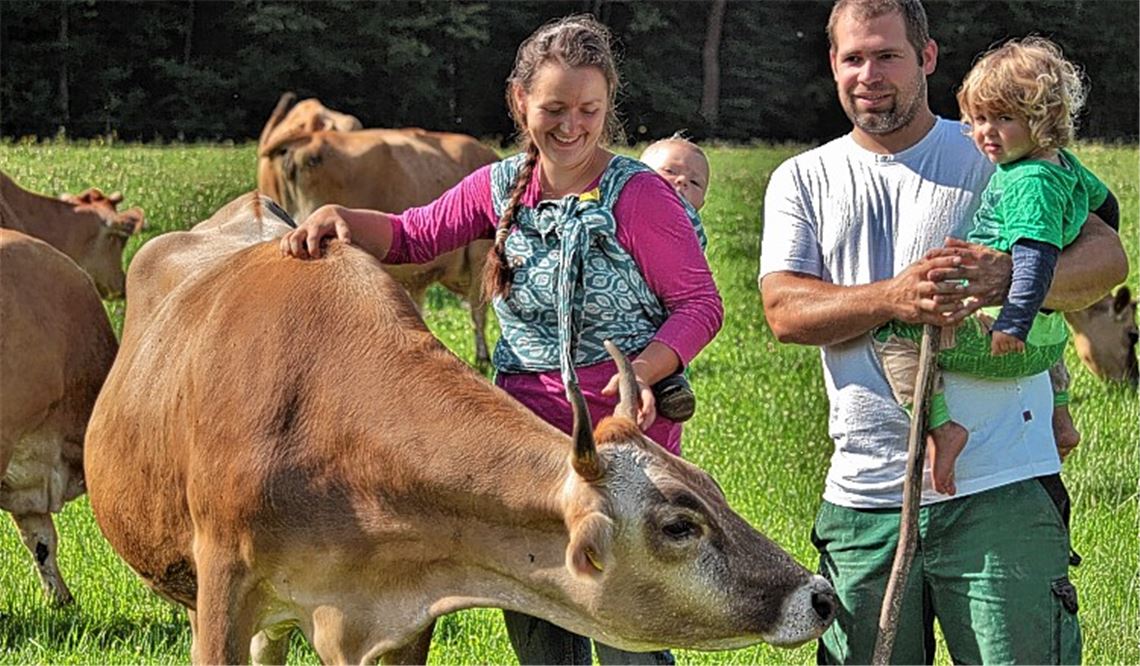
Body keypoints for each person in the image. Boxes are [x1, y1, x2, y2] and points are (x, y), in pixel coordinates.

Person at [281, 14, 721, 666]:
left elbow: (699, 305)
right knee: (542, 636)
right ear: (520, 101)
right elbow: (415, 235)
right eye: (554, 109)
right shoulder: (498, 185)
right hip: (526, 456)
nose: (571, 126)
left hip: (622, 448)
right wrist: (342, 218)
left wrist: (646, 370)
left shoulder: (641, 197)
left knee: (628, 639)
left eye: (589, 110)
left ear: (608, 105)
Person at [758, 0, 1126, 663]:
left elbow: (1107, 260)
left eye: (888, 55)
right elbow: (784, 311)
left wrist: (1009, 278)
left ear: (926, 58)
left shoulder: (996, 147)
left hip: (1001, 490)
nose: (870, 74)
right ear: (833, 64)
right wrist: (893, 297)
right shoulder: (803, 179)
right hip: (864, 497)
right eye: (853, 58)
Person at [872, 36, 1120, 495]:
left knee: (893, 329)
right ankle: (1060, 417)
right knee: (1049, 331)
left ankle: (941, 428)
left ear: (1044, 119)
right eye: (979, 119)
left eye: (1004, 118)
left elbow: (1033, 257)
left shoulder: (1028, 181)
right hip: (1048, 341)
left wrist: (1013, 322)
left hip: (1005, 334)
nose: (986, 132)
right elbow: (1107, 208)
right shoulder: (1064, 166)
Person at [638, 133, 713, 421]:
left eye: (695, 183)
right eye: (669, 171)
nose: (681, 182)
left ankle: (671, 388)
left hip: (661, 319)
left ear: (701, 203)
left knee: (665, 355)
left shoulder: (686, 222)